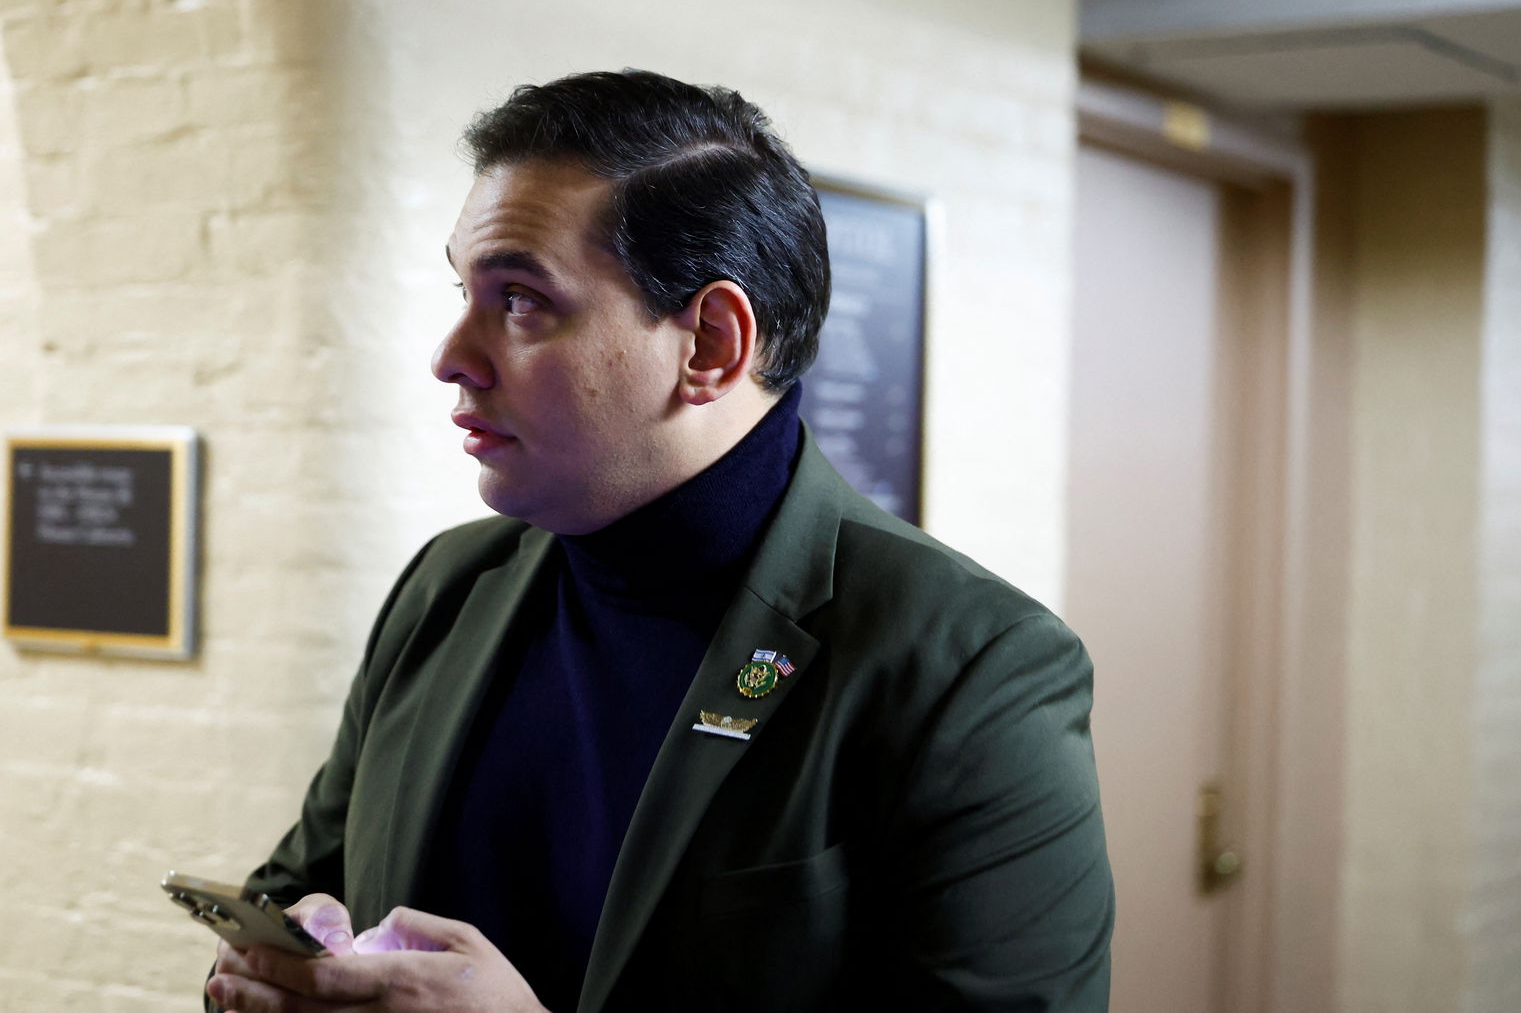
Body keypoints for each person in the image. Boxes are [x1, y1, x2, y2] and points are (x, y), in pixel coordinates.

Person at [205, 69, 1113, 1013]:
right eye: (464, 292)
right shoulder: (449, 584)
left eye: (519, 300)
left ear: (710, 344)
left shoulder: (972, 667)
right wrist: (285, 968)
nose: (451, 357)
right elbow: (304, 882)